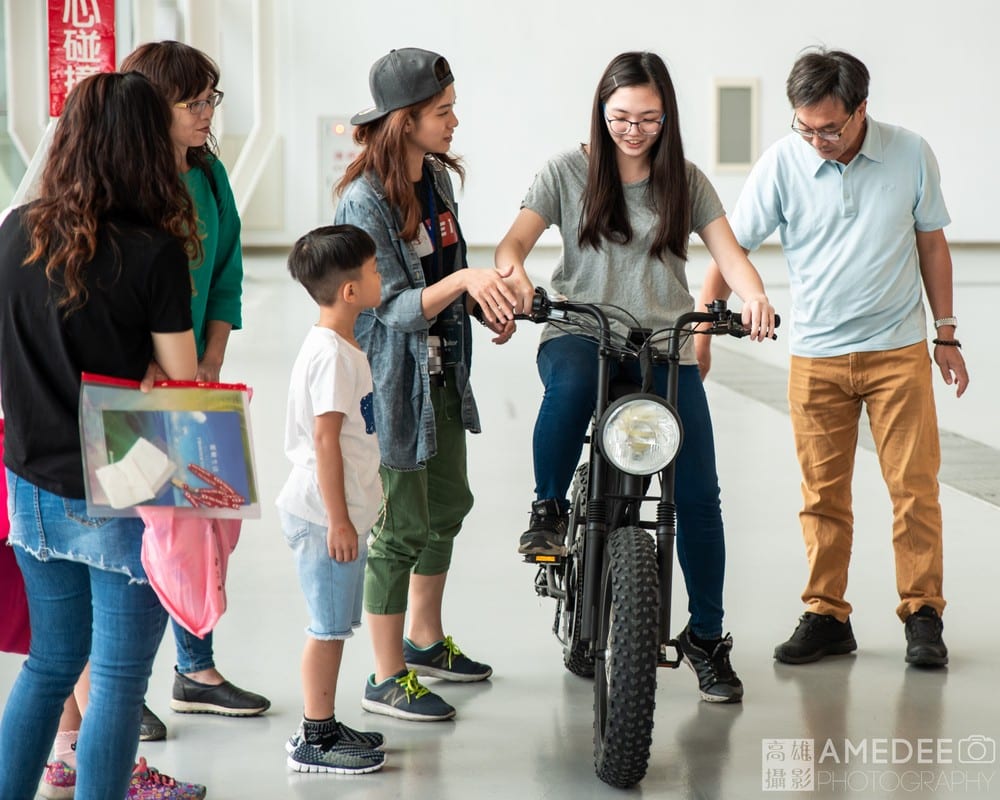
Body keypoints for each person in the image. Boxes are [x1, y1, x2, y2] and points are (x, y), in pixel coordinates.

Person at [495, 51, 776, 704]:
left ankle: (707, 636)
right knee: (566, 391)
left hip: (662, 348)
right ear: (601, 109)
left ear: (667, 116)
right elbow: (512, 245)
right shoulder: (567, 171)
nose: (633, 130)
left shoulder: (687, 181)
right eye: (621, 116)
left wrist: (753, 297)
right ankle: (548, 506)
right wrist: (519, 279)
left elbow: (731, 258)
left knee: (699, 496)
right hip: (581, 332)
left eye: (649, 118)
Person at [696, 48, 967, 668]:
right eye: (805, 126)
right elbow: (728, 245)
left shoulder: (910, 153)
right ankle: (826, 614)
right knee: (821, 495)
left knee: (914, 489)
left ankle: (923, 614)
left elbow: (933, 246)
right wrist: (705, 329)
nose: (816, 139)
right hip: (816, 356)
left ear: (861, 110)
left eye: (830, 127)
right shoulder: (783, 162)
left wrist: (945, 336)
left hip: (897, 351)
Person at [0, 71, 207, 800]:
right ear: (145, 147)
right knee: (119, 678)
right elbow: (182, 382)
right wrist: (147, 365)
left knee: (51, 663)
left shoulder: (16, 230)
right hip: (124, 480)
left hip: (29, 481)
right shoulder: (151, 251)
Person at [335, 47, 517, 721]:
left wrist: (485, 300)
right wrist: (465, 283)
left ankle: (424, 640)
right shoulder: (364, 202)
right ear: (405, 120)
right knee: (399, 527)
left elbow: (446, 278)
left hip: (442, 377)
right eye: (442, 111)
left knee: (447, 508)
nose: (454, 121)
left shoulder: (434, 184)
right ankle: (384, 678)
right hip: (391, 388)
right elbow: (394, 308)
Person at [119, 40, 269, 730]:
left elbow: (229, 271)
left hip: (195, 376)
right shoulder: (126, 185)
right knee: (135, 535)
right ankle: (125, 690)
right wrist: (160, 370)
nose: (209, 113)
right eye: (195, 102)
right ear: (154, 108)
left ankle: (196, 668)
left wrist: (207, 361)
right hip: (137, 386)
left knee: (204, 527)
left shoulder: (208, 176)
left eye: (213, 98)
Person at [277, 224, 387, 774]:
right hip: (323, 519)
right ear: (350, 292)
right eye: (373, 270)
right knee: (325, 629)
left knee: (336, 626)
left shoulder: (341, 344)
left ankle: (324, 722)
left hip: (335, 516)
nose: (380, 277)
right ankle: (312, 740)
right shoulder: (332, 356)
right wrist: (340, 521)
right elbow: (324, 441)